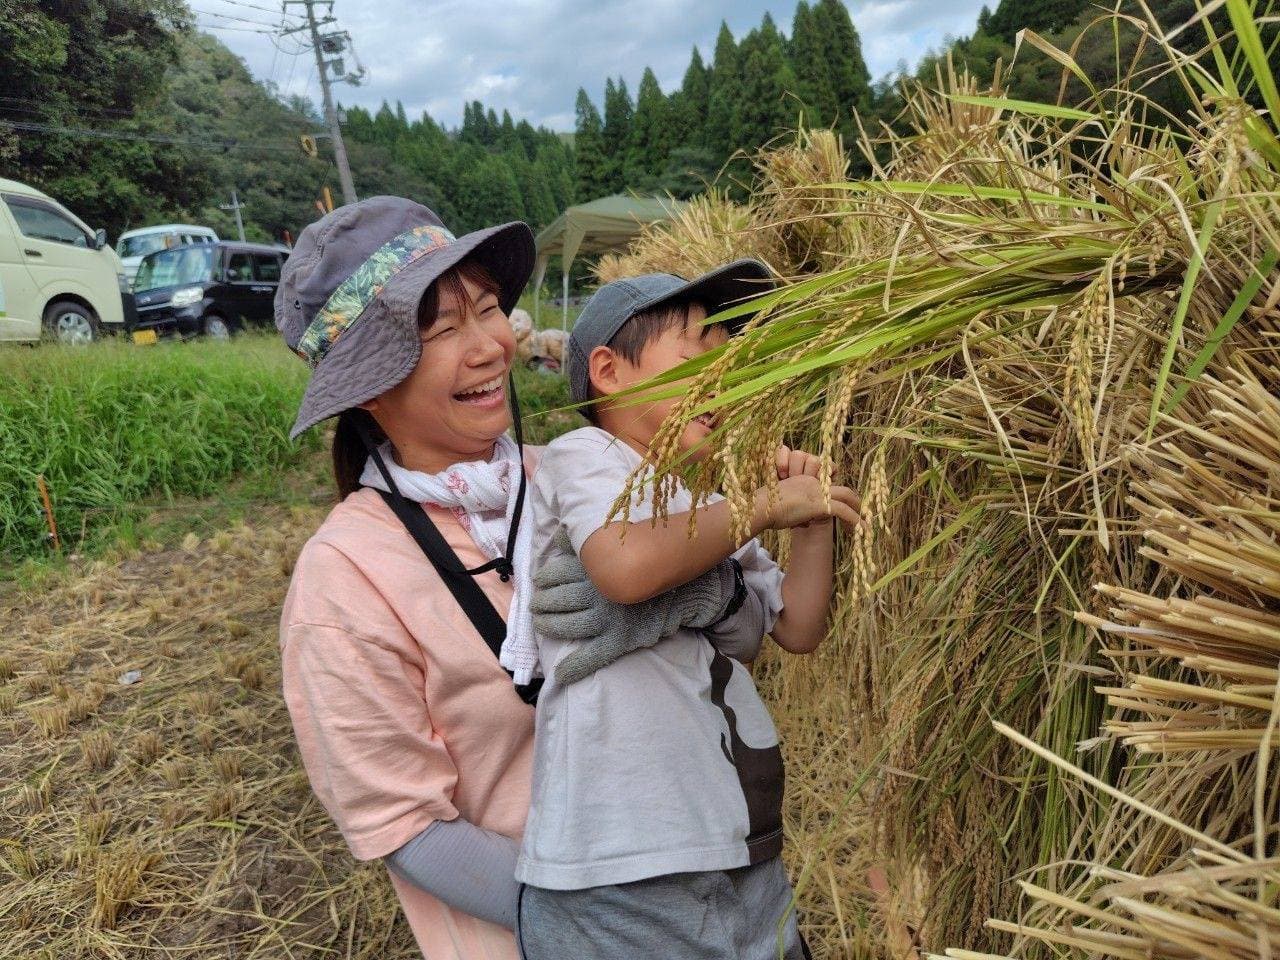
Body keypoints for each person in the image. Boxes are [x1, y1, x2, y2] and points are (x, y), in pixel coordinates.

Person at [274, 197, 735, 960]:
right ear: (367, 389)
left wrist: (701, 590)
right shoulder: (346, 582)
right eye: (442, 329)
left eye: (487, 309)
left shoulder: (579, 478)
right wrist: (585, 919)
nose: (488, 346)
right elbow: (403, 822)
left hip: (711, 892)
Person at [515, 264, 863, 959]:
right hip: (618, 866)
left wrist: (810, 518)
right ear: (610, 372)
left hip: (737, 848)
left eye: (730, 361)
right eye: (699, 354)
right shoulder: (586, 458)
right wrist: (761, 506)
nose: (723, 379)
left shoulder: (712, 499)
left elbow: (797, 626)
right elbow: (626, 567)